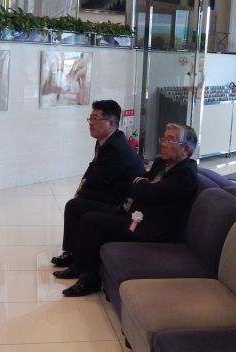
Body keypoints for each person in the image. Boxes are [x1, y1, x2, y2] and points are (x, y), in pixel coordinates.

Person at [55, 123, 199, 297]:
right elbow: (136, 181)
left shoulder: (186, 175)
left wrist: (144, 186)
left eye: (170, 140)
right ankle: (74, 256)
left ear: (185, 149)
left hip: (146, 227)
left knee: (92, 221)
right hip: (131, 212)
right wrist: (145, 185)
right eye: (164, 138)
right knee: (75, 205)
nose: (163, 143)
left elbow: (149, 192)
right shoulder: (161, 162)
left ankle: (90, 278)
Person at [51, 100, 144, 269]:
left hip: (122, 203)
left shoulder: (115, 147)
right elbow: (93, 166)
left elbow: (101, 180)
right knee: (77, 202)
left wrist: (82, 192)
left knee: (74, 205)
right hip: (112, 193)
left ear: (111, 123)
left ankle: (76, 256)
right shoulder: (106, 140)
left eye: (95, 118)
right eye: (90, 118)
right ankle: (72, 252)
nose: (91, 123)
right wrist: (83, 183)